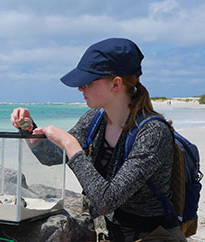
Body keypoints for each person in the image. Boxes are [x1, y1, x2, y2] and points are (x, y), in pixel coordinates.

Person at [10, 38, 186, 242]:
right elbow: (50, 157)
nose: (80, 89)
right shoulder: (94, 120)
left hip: (154, 235)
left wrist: (70, 144)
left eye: (88, 82)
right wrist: (29, 128)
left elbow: (105, 201)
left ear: (116, 83)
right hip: (111, 232)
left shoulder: (152, 133)